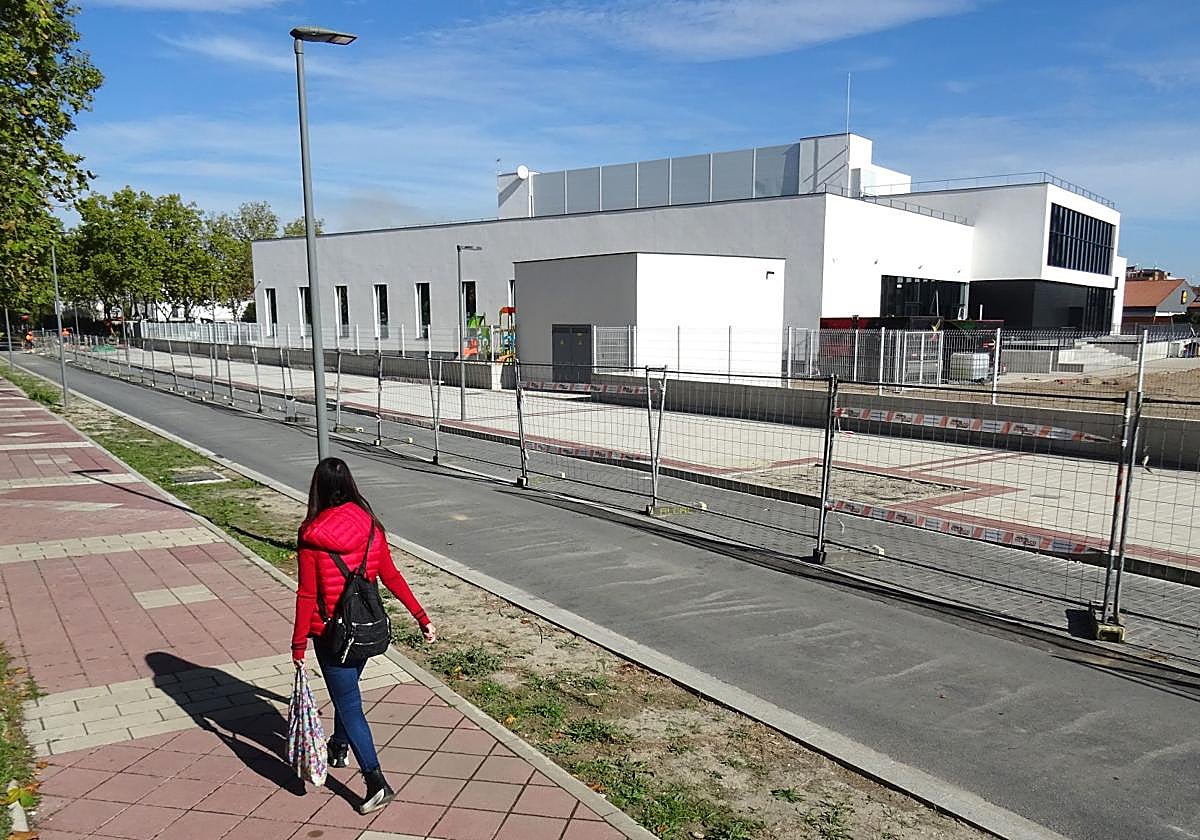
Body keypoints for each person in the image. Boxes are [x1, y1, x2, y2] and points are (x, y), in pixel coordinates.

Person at [292, 457, 436, 814]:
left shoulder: (312, 535)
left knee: (350, 705)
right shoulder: (371, 527)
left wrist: (297, 644)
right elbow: (391, 575)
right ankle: (339, 747)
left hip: (330, 633)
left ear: (318, 489)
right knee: (348, 695)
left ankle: (375, 782)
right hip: (366, 631)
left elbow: (307, 594)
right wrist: (421, 617)